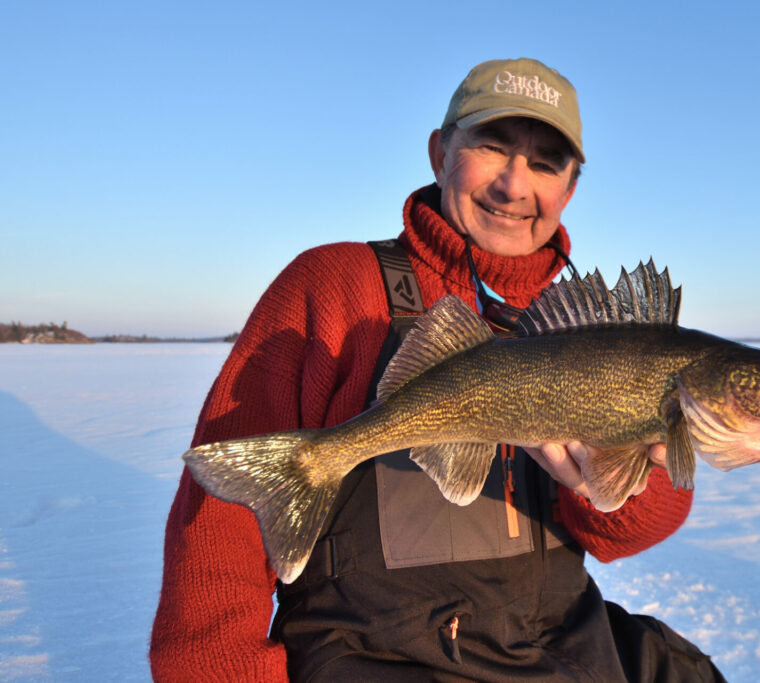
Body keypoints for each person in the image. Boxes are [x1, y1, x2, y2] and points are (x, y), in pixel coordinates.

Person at [150, 57, 726, 682]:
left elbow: (622, 538)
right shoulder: (335, 286)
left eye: (544, 161)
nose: (514, 184)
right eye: (491, 146)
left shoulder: (592, 333)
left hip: (551, 645)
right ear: (439, 151)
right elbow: (217, 526)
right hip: (376, 657)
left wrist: (633, 475)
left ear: (570, 186)